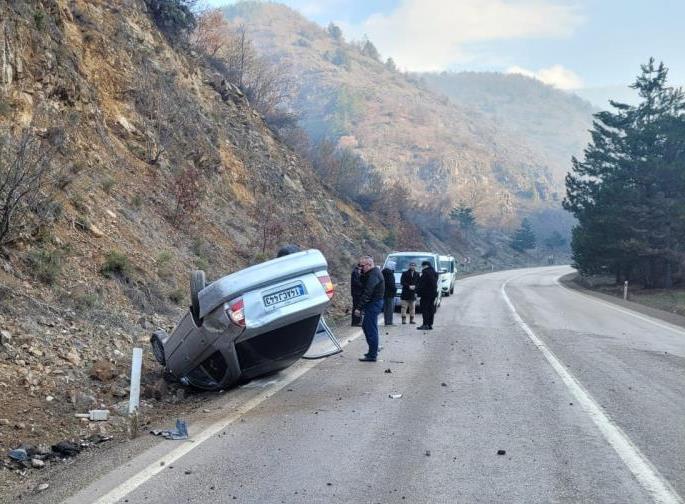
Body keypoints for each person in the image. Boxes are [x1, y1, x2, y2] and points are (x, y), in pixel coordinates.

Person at [354, 256, 384, 362]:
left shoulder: (374, 274)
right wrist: (361, 274)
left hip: (374, 304)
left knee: (370, 329)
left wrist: (358, 308)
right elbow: (363, 285)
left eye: (362, 266)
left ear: (369, 264)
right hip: (373, 303)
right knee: (367, 327)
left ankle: (373, 354)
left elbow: (368, 292)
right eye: (360, 266)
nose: (361, 268)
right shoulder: (371, 274)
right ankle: (372, 351)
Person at [416, 260, 438, 330]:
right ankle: (430, 324)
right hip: (433, 294)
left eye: (422, 266)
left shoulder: (425, 272)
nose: (422, 268)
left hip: (425, 294)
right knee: (431, 309)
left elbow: (422, 284)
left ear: (425, 266)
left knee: (425, 309)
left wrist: (418, 293)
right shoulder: (435, 272)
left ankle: (425, 324)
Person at [381, 260, 396, 326]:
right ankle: (389, 322)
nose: (394, 267)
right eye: (394, 266)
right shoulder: (390, 273)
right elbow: (391, 283)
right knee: (390, 308)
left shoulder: (383, 272)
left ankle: (386, 321)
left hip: (384, 292)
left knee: (386, 308)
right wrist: (395, 290)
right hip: (390, 293)